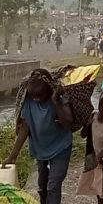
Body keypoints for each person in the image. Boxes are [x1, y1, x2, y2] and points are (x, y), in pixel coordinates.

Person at [2, 69, 74, 204]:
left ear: (49, 90)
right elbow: (24, 128)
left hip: (61, 147)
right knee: (42, 185)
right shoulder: (28, 101)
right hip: (40, 149)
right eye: (33, 96)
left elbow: (68, 122)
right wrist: (13, 156)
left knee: (53, 186)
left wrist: (55, 101)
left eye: (40, 96)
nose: (36, 99)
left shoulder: (59, 98)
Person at [77, 88, 103, 204]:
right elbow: (83, 135)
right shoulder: (93, 118)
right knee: (97, 188)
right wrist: (87, 124)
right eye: (101, 104)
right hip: (94, 159)